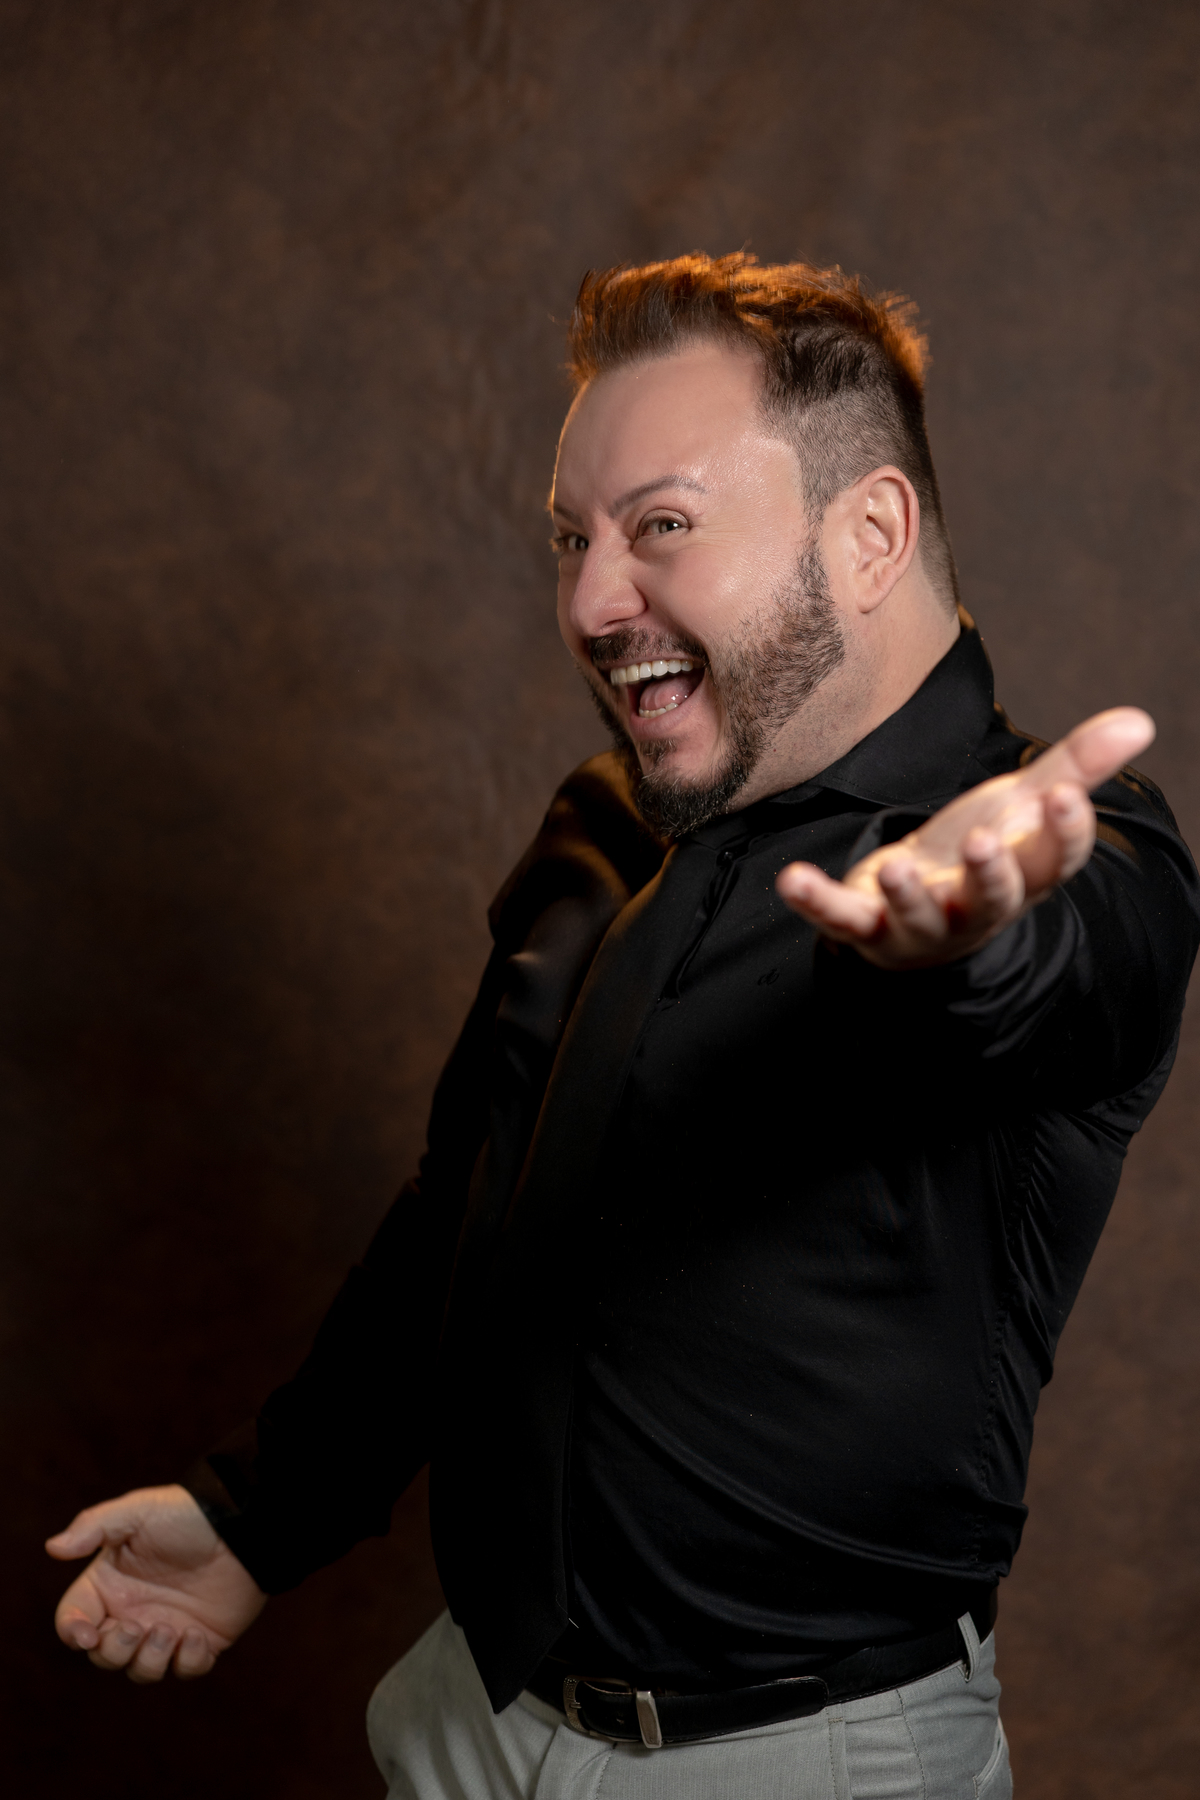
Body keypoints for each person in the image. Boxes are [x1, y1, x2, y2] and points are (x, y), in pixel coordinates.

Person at [47, 255, 1200, 1799]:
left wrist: (967, 942)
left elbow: (1074, 965)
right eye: (572, 538)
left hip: (794, 1766)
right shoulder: (604, 824)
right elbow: (468, 1212)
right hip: (467, 1721)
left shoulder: (1071, 852)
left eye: (660, 526)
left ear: (869, 535)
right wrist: (260, 1515)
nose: (592, 602)